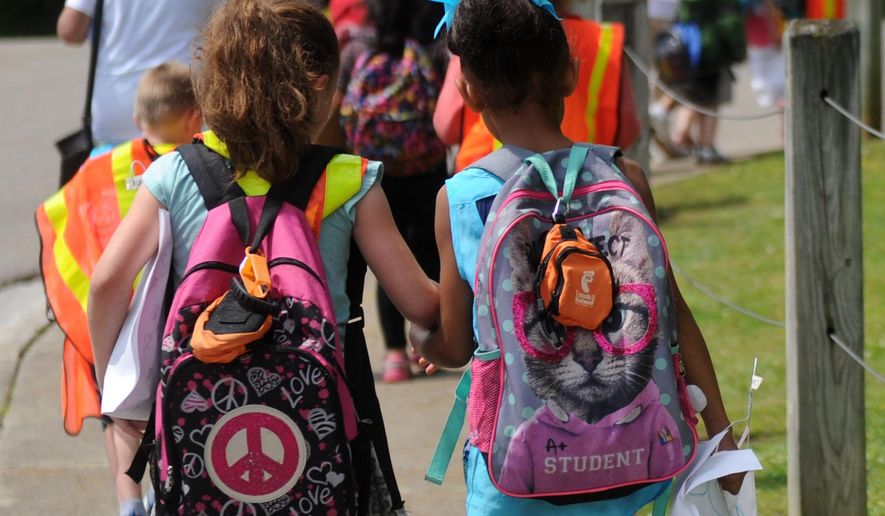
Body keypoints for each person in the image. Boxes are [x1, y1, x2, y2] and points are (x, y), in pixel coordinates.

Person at [85, 0, 438, 512]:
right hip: (326, 421)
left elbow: (104, 286)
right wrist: (430, 330)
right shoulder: (349, 179)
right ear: (317, 88)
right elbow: (422, 304)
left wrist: (111, 392)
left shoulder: (172, 173)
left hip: (204, 415)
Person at [411, 0, 744, 512]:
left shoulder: (460, 199)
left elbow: (454, 346)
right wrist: (721, 435)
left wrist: (421, 335)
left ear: (468, 91)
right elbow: (674, 316)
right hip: (632, 464)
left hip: (519, 477)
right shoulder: (625, 178)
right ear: (570, 73)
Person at [36, 61, 203, 516]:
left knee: (120, 416)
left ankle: (129, 501)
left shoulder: (98, 167)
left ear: (137, 117)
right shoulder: (199, 163)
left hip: (112, 320)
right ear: (196, 116)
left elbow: (61, 225)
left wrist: (76, 315)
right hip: (177, 319)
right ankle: (167, 490)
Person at [332, 0, 447, 383]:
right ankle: (428, 345)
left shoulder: (357, 52)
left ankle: (395, 353)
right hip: (426, 165)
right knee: (427, 253)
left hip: (375, 171)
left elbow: (339, 105)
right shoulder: (430, 50)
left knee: (386, 259)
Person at [433, 0, 640, 173]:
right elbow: (627, 130)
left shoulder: (474, 39)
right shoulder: (602, 40)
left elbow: (446, 127)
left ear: (469, 92)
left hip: (486, 186)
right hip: (588, 180)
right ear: (571, 74)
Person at [56, 0, 221, 146]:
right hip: (184, 108)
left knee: (115, 175)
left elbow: (70, 30)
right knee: (183, 176)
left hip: (116, 108)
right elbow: (229, 23)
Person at [666, 0, 746, 164]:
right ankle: (705, 146)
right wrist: (739, 49)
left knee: (693, 96)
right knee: (710, 102)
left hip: (688, 47)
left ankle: (698, 144)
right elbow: (729, 23)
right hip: (712, 50)